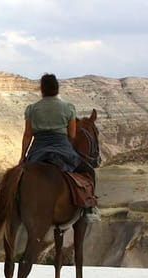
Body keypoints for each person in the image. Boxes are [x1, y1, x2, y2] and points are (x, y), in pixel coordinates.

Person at [21, 74, 100, 221]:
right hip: (62, 150)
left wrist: (22, 157)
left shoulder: (31, 109)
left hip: (37, 151)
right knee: (89, 171)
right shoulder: (68, 107)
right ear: (57, 89)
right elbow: (72, 135)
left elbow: (27, 135)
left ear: (42, 90)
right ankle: (89, 209)